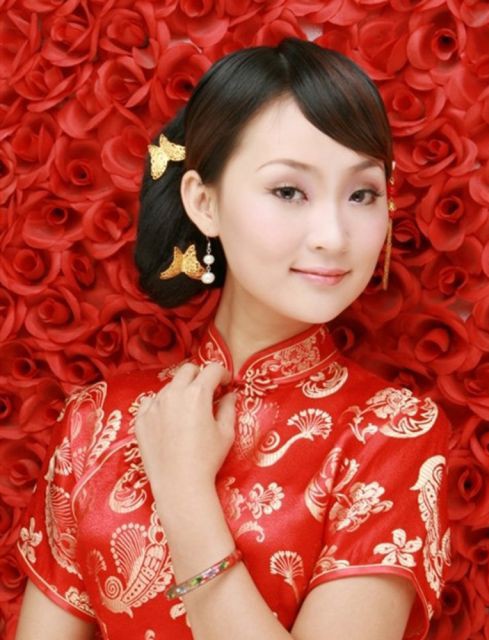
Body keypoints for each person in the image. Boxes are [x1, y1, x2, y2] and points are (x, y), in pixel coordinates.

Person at [14, 37, 450, 640]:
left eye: (362, 194)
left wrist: (184, 494)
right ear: (204, 202)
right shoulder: (97, 422)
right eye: (289, 191)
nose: (332, 234)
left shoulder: (389, 432)